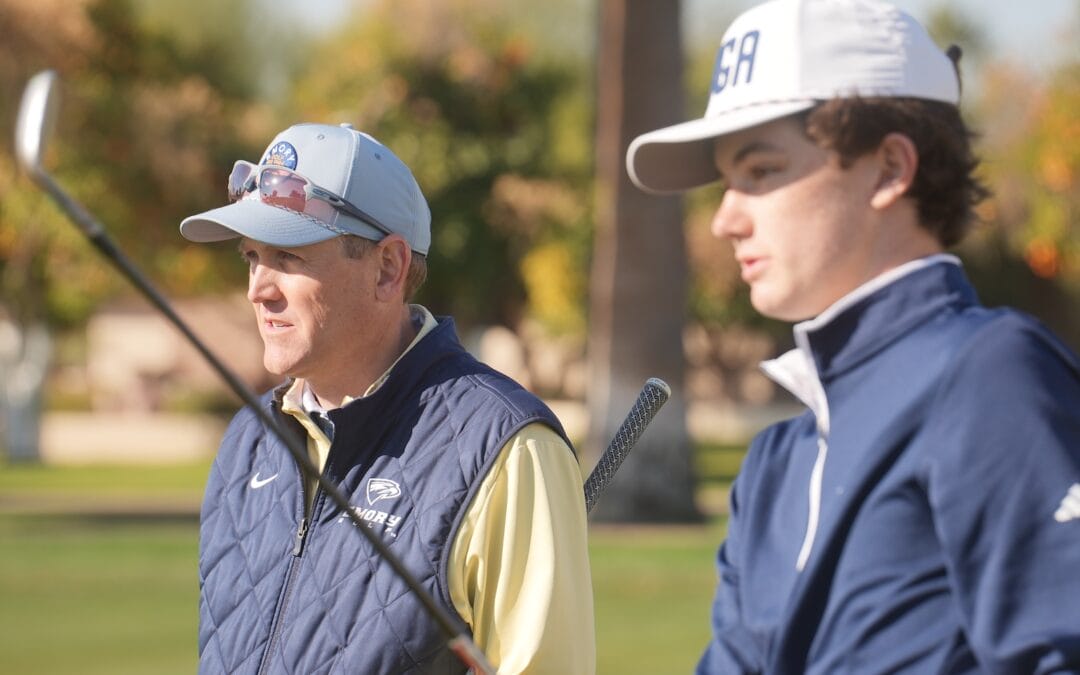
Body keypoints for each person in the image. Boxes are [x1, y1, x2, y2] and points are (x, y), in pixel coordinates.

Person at [626, 0, 1080, 672]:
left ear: (891, 169)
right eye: (727, 181)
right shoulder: (776, 460)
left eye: (761, 171)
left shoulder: (990, 374)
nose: (726, 218)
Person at [179, 122, 595, 674]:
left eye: (288, 257)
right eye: (252, 257)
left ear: (388, 268)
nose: (259, 288)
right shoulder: (249, 441)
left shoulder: (506, 449)